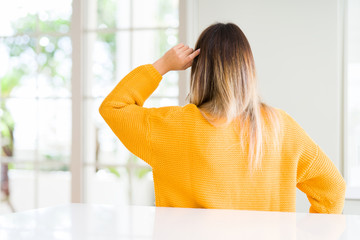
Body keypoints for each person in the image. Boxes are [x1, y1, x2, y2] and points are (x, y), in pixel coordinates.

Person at [99, 22, 346, 213]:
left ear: (199, 72)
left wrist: (163, 64)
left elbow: (113, 107)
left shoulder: (173, 126)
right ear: (247, 69)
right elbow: (333, 189)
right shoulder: (282, 127)